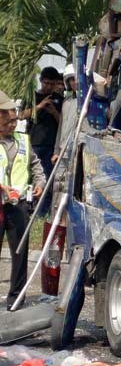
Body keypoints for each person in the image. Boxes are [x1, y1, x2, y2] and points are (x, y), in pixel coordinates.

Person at [0, 90, 46, 311]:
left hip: (18, 207)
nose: (12, 125)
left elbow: (36, 165)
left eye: (14, 121)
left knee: (19, 253)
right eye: (8, 121)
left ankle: (16, 299)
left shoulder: (23, 141)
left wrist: (40, 183)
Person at [20, 66, 62, 215]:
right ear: (41, 81)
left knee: (48, 180)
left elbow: (64, 122)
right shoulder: (32, 97)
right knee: (30, 179)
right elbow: (21, 115)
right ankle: (28, 208)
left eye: (52, 84)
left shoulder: (59, 99)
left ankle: (42, 211)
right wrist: (39, 107)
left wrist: (54, 112)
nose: (48, 87)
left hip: (51, 145)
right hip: (33, 144)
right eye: (46, 83)